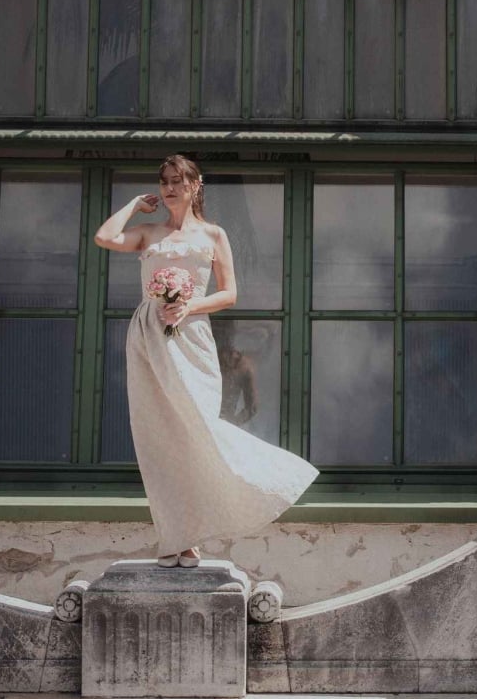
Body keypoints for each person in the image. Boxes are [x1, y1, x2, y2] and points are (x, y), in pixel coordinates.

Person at [93, 154, 318, 567]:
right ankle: (174, 539)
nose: (169, 188)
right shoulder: (149, 233)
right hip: (149, 335)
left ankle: (258, 483)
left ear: (196, 185)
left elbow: (230, 293)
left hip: (191, 335)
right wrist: (133, 205)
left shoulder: (214, 234)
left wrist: (189, 306)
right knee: (159, 438)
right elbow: (104, 237)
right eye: (164, 181)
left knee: (197, 430)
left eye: (178, 181)